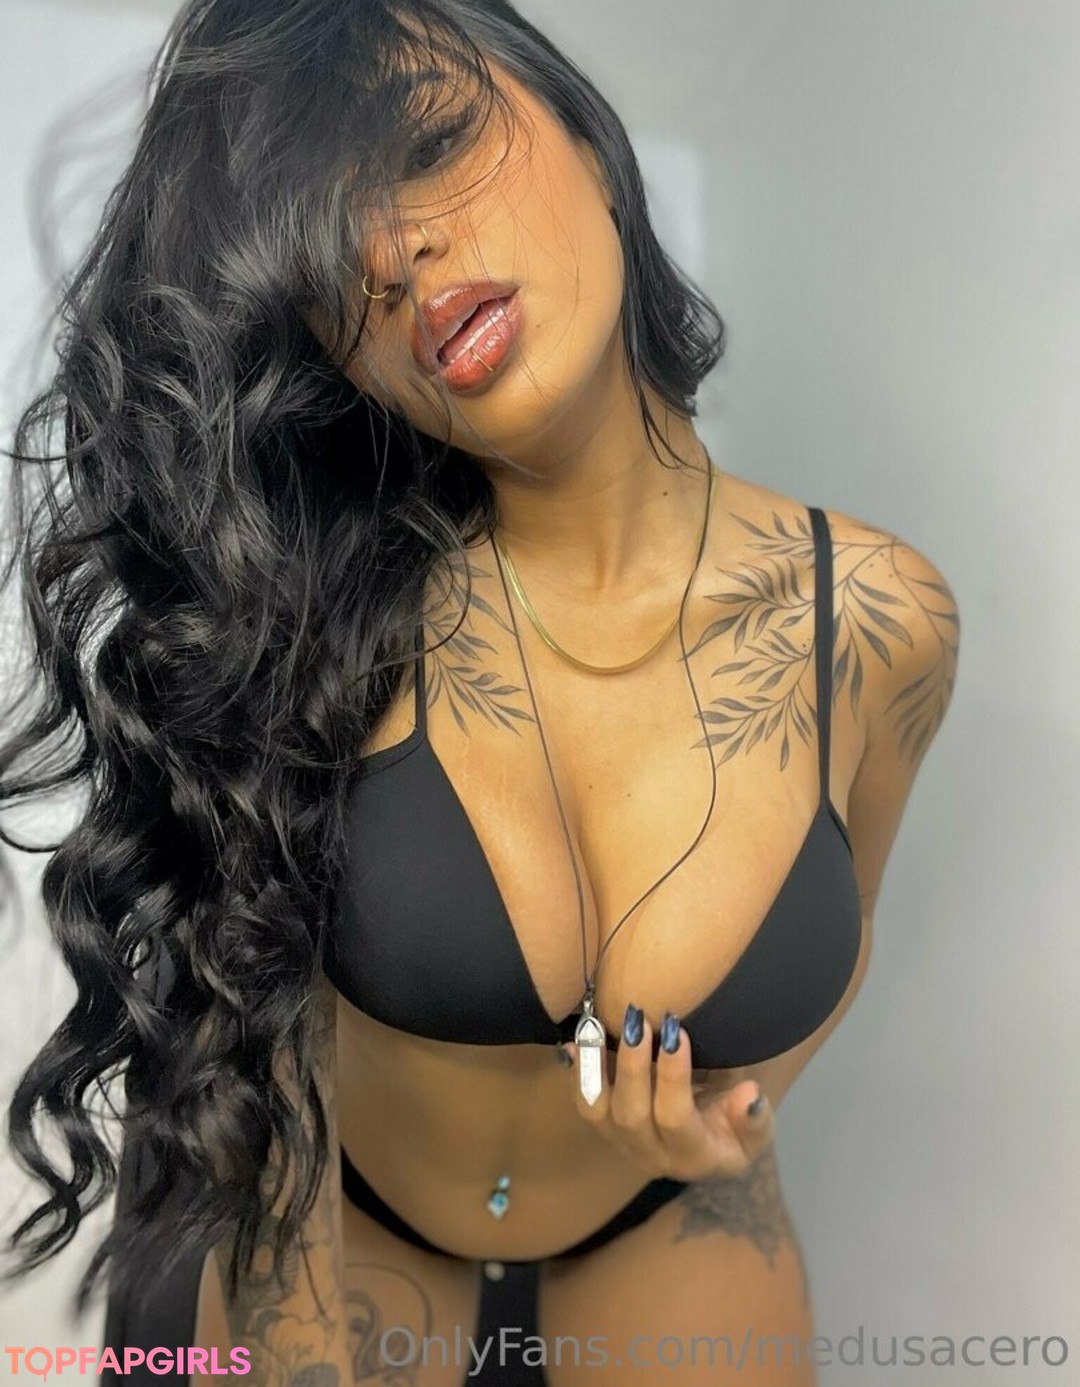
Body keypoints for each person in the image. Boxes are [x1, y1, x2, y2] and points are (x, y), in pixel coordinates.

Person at [0, 1, 960, 1384]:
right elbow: (254, 1046)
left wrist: (742, 1111)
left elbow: (845, 916)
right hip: (336, 1217)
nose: (392, 257)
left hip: (669, 1237)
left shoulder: (879, 618)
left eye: (430, 144)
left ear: (586, 130)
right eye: (325, 264)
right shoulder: (318, 617)